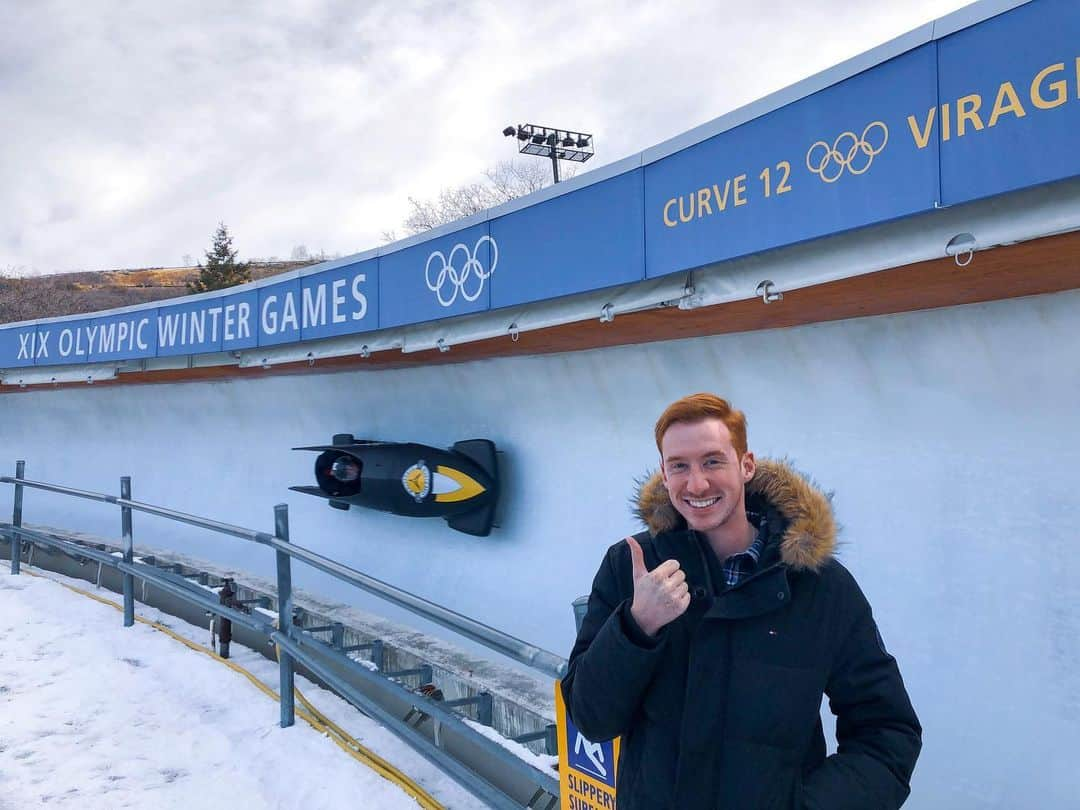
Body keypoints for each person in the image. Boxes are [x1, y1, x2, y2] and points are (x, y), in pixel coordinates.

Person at [562, 393, 921, 809]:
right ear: (664, 472)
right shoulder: (630, 566)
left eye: (713, 461)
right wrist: (637, 626)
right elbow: (591, 718)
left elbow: (887, 731)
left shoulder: (820, 587)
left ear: (745, 465)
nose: (697, 484)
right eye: (679, 466)